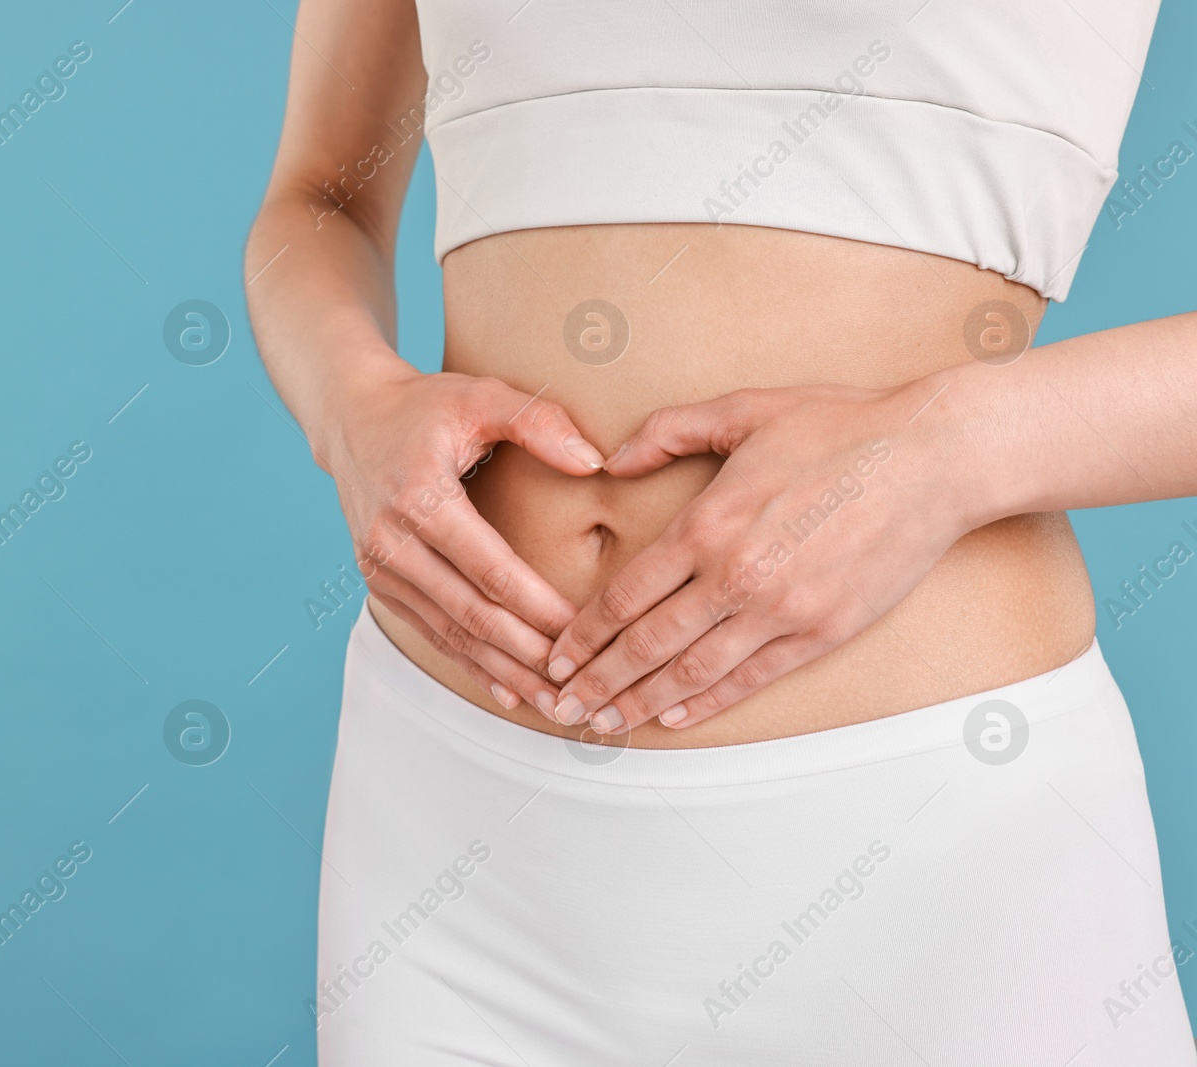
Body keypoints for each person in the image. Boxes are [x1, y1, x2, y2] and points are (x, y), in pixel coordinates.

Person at [246, 0, 1197, 1061]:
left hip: (927, 847)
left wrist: (949, 448)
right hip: (449, 822)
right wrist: (353, 404)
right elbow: (320, 193)